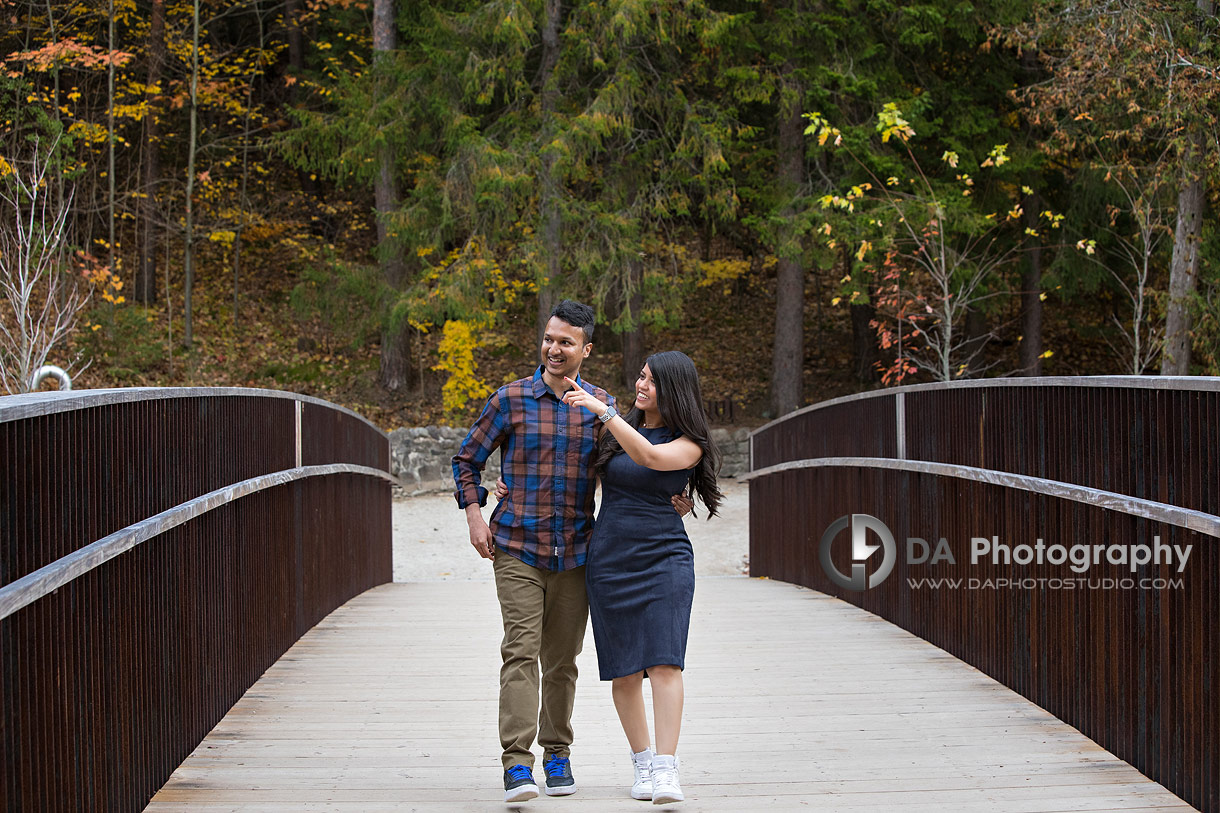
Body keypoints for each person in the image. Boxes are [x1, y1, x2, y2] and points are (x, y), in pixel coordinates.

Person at [454, 301, 691, 804]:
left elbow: (638, 459)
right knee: (520, 651)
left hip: (579, 552)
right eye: (549, 339)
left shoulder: (602, 406)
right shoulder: (511, 399)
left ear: (586, 349)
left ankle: (557, 753)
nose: (554, 349)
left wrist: (678, 493)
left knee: (562, 661)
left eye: (566, 342)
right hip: (516, 544)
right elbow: (467, 459)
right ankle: (517, 765)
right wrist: (476, 513)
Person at [559, 350, 722, 805]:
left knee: (666, 661)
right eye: (641, 376)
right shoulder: (616, 431)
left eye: (651, 380)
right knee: (625, 670)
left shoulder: (689, 442)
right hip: (610, 558)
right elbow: (571, 475)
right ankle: (643, 762)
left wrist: (604, 411)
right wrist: (507, 487)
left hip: (665, 558)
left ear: (673, 390)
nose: (640, 385)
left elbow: (649, 457)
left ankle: (667, 769)